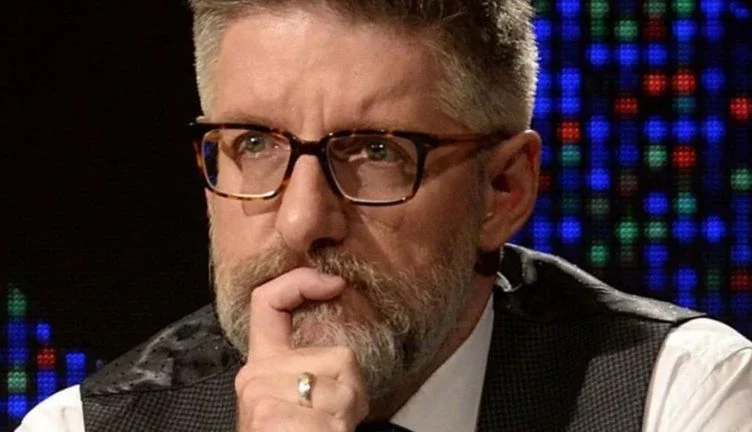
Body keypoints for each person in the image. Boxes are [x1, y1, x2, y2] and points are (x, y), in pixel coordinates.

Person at [17, 1, 752, 431]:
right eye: (255, 144)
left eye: (376, 151)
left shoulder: (677, 396)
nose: (302, 221)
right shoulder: (82, 427)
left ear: (503, 191)